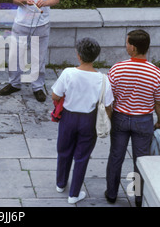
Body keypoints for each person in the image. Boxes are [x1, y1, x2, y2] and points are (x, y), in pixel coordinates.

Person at [105, 29, 160, 206]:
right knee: (140, 161)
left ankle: (111, 193)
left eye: (127, 43)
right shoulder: (156, 73)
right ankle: (138, 197)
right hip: (143, 120)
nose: (125, 45)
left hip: (120, 118)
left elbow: (109, 98)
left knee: (116, 156)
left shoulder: (117, 69)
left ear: (132, 48)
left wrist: (109, 118)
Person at [51, 38, 113, 204]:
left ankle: (60, 183)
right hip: (89, 120)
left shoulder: (68, 73)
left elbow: (55, 95)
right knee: (82, 156)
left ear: (78, 55)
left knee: (64, 151)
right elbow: (108, 106)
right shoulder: (103, 79)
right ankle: (74, 193)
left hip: (68, 118)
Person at [0, 0, 59, 102]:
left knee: (38, 58)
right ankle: (14, 83)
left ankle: (37, 87)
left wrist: (45, 2)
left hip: (41, 24)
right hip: (21, 23)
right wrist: (23, 1)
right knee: (15, 55)